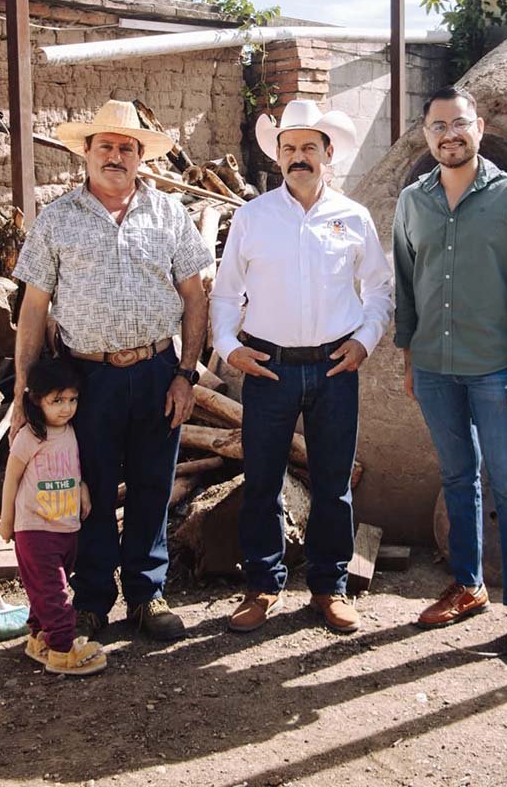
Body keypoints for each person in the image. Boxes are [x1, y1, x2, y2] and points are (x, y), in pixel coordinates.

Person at [11, 100, 212, 642]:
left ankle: (147, 595)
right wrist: (23, 394)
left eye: (128, 148)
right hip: (86, 379)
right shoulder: (56, 220)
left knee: (152, 484)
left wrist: (186, 374)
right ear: (87, 153)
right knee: (91, 488)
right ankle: (93, 599)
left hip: (156, 371)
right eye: (107, 146)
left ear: (141, 157)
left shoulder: (169, 214)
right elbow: (33, 309)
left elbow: (195, 296)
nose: (117, 156)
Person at [211, 99, 392, 634]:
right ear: (278, 156)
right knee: (262, 480)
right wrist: (228, 345)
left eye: (308, 148)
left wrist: (365, 342)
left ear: (327, 153)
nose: (297, 158)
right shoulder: (253, 217)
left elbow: (379, 290)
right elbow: (224, 295)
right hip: (269, 367)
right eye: (288, 148)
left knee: (333, 484)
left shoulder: (353, 217)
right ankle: (263, 585)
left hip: (337, 368)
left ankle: (328, 587)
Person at [392, 84, 507, 661]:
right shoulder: (413, 202)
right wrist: (410, 359)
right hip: (435, 369)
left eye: (459, 124)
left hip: (496, 368)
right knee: (458, 477)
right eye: (438, 127)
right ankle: (468, 586)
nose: (449, 135)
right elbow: (406, 287)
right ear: (426, 134)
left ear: (479, 128)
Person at [0, 358, 107, 676]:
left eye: (72, 399)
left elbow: (71, 468)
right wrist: (7, 522)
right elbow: (11, 479)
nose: (66, 408)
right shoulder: (30, 436)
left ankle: (38, 636)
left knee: (43, 589)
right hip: (35, 528)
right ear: (36, 400)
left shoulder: (70, 431)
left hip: (66, 527)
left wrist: (82, 488)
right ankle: (62, 649)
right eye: (56, 401)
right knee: (54, 591)